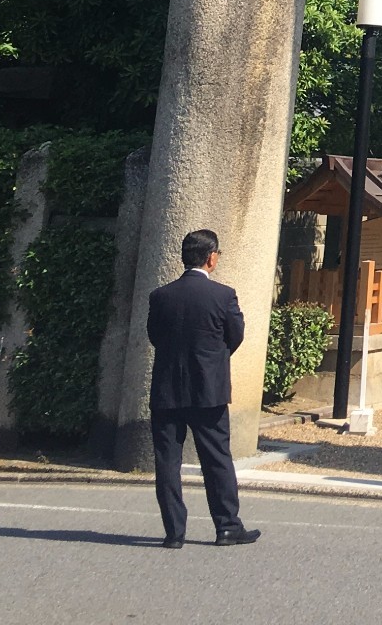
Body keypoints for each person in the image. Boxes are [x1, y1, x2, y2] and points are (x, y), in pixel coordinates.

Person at [147, 228, 260, 548]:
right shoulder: (223, 295)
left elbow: (155, 336)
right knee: (216, 457)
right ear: (211, 258)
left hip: (167, 389)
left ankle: (174, 532)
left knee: (167, 460)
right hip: (208, 389)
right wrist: (214, 359)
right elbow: (234, 335)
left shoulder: (160, 296)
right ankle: (227, 526)